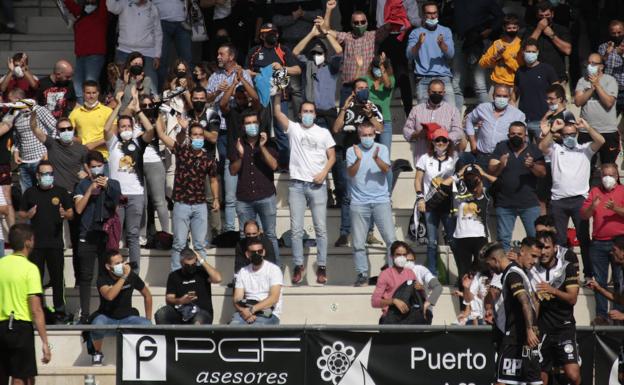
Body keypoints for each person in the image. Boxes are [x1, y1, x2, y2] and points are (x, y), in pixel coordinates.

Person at [273, 94, 335, 285]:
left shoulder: (323, 133)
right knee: (296, 230)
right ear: (299, 114)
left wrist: (324, 173)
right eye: (305, 111)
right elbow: (277, 112)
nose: (308, 114)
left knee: (321, 229)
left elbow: (332, 156)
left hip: (318, 185)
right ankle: (298, 265)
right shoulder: (294, 129)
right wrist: (277, 93)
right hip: (297, 185)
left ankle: (322, 266)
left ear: (315, 115)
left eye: (311, 111)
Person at [539, 117, 604, 282]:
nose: (570, 137)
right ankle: (560, 273)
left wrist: (587, 127)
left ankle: (589, 274)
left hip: (579, 201)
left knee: (584, 239)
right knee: (559, 241)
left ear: (577, 134)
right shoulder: (555, 149)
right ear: (561, 135)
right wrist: (553, 130)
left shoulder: (585, 149)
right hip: (558, 201)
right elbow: (542, 146)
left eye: (573, 134)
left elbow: (601, 140)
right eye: (566, 134)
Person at [155, 118, 220, 271]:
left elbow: (213, 180)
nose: (198, 138)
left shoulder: (208, 159)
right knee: (179, 243)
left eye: (200, 135)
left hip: (200, 205)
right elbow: (163, 137)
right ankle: (176, 276)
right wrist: (158, 114)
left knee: (200, 244)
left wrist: (216, 198)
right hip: (181, 204)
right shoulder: (182, 151)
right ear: (190, 137)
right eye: (195, 135)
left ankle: (200, 276)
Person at [208, 43, 257, 233]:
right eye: (218, 54)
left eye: (222, 54)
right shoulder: (215, 76)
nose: (218, 57)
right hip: (220, 129)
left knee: (237, 171)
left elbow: (252, 99)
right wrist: (217, 90)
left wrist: (239, 82)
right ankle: (223, 202)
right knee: (223, 170)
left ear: (231, 56)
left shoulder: (243, 73)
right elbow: (207, 100)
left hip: (239, 130)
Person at [103, 90, 154, 271]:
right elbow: (106, 129)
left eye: (128, 126)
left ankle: (134, 271)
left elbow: (151, 130)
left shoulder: (138, 143)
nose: (125, 129)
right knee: (114, 235)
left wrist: (138, 110)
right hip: (117, 195)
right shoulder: (113, 143)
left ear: (132, 127)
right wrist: (117, 107)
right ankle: (113, 269)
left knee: (133, 234)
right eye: (122, 126)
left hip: (136, 194)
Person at [17, 161, 74, 323]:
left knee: (57, 279)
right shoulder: (29, 193)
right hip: (35, 245)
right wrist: (28, 215)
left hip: (55, 244)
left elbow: (71, 213)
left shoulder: (61, 192)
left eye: (50, 174)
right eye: (44, 174)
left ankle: (60, 311)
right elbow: (20, 213)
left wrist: (65, 214)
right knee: (36, 280)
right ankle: (38, 311)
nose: (48, 177)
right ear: (37, 176)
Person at [480, 242, 541, 385]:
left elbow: (524, 301)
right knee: (532, 381)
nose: (490, 269)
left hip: (516, 337)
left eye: (489, 265)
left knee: (502, 381)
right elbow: (535, 302)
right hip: (525, 336)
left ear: (495, 260)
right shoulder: (517, 272)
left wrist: (529, 330)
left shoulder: (512, 274)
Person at [332, 78, 383, 247]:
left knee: (368, 196)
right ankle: (344, 233)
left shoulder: (374, 107)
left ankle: (369, 233)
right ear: (353, 91)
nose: (363, 90)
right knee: (347, 197)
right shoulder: (347, 108)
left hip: (369, 158)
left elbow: (380, 128)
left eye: (365, 88)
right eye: (360, 88)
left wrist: (369, 114)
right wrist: (344, 108)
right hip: (349, 157)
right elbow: (336, 128)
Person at [73, 151, 122, 323]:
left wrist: (106, 187)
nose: (96, 169)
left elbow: (117, 201)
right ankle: (84, 314)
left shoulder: (114, 183)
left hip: (105, 236)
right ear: (87, 167)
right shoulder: (82, 185)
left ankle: (106, 311)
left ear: (104, 165)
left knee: (106, 275)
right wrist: (90, 190)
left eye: (99, 166)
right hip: (87, 235)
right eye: (93, 166)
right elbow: (78, 209)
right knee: (85, 277)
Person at [0, 224, 51, 385]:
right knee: (21, 376)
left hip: (0, 325)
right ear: (28, 242)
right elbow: (36, 309)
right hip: (19, 326)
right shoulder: (30, 269)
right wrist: (45, 342)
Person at [246, 22, 302, 167]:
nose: (273, 36)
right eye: (269, 33)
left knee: (281, 131)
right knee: (261, 129)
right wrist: (264, 73)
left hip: (280, 97)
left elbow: (297, 70)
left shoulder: (283, 50)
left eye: (275, 33)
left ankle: (284, 164)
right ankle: (259, 162)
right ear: (262, 35)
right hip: (260, 97)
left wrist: (281, 68)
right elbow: (246, 72)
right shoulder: (254, 51)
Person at [528, 231, 580, 385]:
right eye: (540, 247)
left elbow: (572, 299)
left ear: (555, 248)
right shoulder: (532, 269)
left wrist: (553, 291)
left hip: (564, 327)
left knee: (573, 375)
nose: (543, 252)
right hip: (542, 329)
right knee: (541, 378)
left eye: (547, 247)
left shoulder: (567, 268)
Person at [347, 122, 396, 286]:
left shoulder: (382, 149)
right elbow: (351, 173)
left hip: (381, 200)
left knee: (391, 239)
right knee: (358, 242)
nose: (367, 138)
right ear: (359, 135)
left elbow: (386, 169)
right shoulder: (351, 151)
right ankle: (362, 273)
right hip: (359, 202)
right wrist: (359, 159)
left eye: (370, 135)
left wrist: (375, 158)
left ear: (374, 134)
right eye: (364, 135)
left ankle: (392, 274)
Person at [230, 112, 280, 264]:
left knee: (270, 235)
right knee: (245, 237)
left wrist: (262, 147)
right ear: (243, 127)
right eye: (248, 123)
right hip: (244, 198)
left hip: (266, 196)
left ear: (259, 124)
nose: (252, 126)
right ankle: (244, 272)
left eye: (254, 122)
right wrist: (240, 155)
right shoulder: (238, 144)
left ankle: (274, 271)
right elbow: (233, 170)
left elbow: (274, 165)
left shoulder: (269, 143)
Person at [489, 121, 546, 250]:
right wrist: (501, 165)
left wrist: (532, 165)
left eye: (519, 134)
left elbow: (542, 173)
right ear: (508, 135)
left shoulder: (533, 149)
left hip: (529, 203)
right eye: (513, 134)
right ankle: (507, 269)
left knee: (534, 238)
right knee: (504, 239)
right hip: (505, 204)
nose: (516, 136)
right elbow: (491, 170)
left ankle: (534, 268)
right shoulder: (501, 148)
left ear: (525, 135)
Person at [91, 250, 152, 366]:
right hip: (107, 318)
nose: (121, 265)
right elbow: (110, 296)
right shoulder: (102, 279)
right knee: (97, 324)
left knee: (148, 326)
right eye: (117, 263)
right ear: (108, 267)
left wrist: (148, 318)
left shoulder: (132, 276)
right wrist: (123, 277)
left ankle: (141, 356)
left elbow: (147, 295)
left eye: (122, 262)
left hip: (127, 317)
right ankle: (97, 352)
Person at [581, 163, 624, 325]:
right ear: (600, 177)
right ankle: (602, 316)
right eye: (605, 174)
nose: (608, 178)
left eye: (612, 175)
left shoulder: (622, 190)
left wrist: (616, 208)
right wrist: (593, 206)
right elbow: (584, 216)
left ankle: (618, 314)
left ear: (617, 176)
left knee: (620, 280)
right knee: (599, 281)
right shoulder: (595, 191)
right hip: (598, 243)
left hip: (620, 243)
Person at [323, 6, 388, 105]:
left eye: (362, 22)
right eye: (356, 23)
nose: (360, 25)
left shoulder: (373, 36)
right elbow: (325, 30)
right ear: (351, 24)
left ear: (367, 22)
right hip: (349, 88)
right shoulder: (346, 37)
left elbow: (389, 26)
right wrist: (328, 10)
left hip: (368, 87)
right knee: (346, 117)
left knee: (369, 118)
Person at [414, 128, 457, 276]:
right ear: (432, 142)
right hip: (430, 204)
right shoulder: (425, 158)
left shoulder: (454, 160)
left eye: (444, 140)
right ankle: (432, 274)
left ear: (448, 142)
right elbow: (418, 179)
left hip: (448, 205)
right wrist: (420, 197)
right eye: (437, 140)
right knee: (432, 242)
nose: (440, 143)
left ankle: (461, 273)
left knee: (452, 240)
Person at [451, 164, 497, 289]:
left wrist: (484, 174)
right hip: (461, 237)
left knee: (483, 270)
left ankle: (483, 303)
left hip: (480, 237)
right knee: (463, 273)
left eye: (475, 178)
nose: (472, 182)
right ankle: (464, 306)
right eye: (469, 179)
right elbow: (444, 184)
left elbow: (501, 184)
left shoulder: (486, 193)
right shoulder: (458, 193)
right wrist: (459, 175)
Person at [451, 0, 504, 108]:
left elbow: (500, 17)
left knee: (479, 85)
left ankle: (486, 118)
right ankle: (454, 121)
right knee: (456, 85)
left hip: (478, 42)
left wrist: (490, 30)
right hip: (459, 41)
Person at [402, 79, 464, 165]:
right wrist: (417, 134)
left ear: (444, 92)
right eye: (434, 92)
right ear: (428, 92)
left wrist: (441, 137)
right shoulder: (417, 109)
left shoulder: (452, 110)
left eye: (440, 92)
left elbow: (458, 131)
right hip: (422, 157)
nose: (437, 95)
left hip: (445, 160)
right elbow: (406, 130)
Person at [465, 84, 526, 169]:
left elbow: (523, 136)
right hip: (482, 156)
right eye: (498, 95)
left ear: (509, 97)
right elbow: (469, 119)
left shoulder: (517, 115)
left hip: (504, 158)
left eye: (505, 96)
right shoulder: (483, 108)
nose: (501, 98)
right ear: (493, 96)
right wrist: (472, 141)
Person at [406, 1, 455, 106]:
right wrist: (419, 43)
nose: (432, 16)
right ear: (423, 15)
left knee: (451, 114)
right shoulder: (415, 33)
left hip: (443, 78)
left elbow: (451, 55)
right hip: (423, 79)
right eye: (429, 13)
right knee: (423, 118)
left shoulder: (446, 31)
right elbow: (409, 55)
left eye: (435, 13)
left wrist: (442, 45)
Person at [155, 248, 222, 325]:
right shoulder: (174, 276)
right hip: (181, 312)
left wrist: (201, 260)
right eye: (187, 265)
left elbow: (218, 279)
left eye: (193, 264)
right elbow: (169, 299)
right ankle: (166, 337)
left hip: (201, 312)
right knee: (162, 313)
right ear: (181, 263)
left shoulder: (202, 272)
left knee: (198, 320)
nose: (190, 267)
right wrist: (180, 301)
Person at [574, 52, 619, 166]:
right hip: (586, 131)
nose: (590, 66)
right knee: (585, 166)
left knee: (609, 167)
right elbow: (578, 102)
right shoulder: (582, 81)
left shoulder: (610, 80)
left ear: (601, 66)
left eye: (594, 63)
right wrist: (591, 89)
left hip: (607, 131)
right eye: (589, 63)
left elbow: (609, 103)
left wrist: (597, 85)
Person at [107, 0, 162, 91]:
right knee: (120, 84)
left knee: (152, 85)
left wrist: (157, 55)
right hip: (124, 50)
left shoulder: (153, 8)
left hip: (147, 52)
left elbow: (158, 32)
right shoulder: (123, 3)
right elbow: (111, 7)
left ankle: (151, 104)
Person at [63, 0, 108, 105]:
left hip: (95, 56)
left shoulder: (101, 13)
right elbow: (69, 4)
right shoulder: (80, 13)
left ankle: (92, 110)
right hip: (80, 56)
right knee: (78, 86)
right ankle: (81, 110)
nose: (90, 1)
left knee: (90, 84)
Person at [230, 238, 283, 325]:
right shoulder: (243, 272)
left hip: (269, 314)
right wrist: (245, 312)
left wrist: (252, 310)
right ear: (247, 254)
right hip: (245, 312)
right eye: (253, 252)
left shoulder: (274, 270)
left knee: (255, 329)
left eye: (260, 251)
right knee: (233, 327)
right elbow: (237, 299)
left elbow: (273, 298)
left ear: (264, 252)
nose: (257, 254)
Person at [10, 95, 57, 193]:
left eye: (14, 102)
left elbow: (55, 128)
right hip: (24, 162)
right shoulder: (15, 115)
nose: (12, 105)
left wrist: (50, 150)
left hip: (41, 159)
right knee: (26, 196)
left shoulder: (39, 110)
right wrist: (16, 151)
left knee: (43, 193)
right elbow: (17, 137)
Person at [514, 38, 558, 140]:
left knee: (543, 152)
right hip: (523, 121)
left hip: (543, 120)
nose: (531, 54)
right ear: (523, 52)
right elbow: (514, 95)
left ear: (538, 52)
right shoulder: (519, 71)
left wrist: (552, 113)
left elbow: (558, 92)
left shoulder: (547, 69)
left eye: (533, 52)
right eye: (528, 51)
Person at [364, 53, 395, 190]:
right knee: (367, 157)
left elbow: (387, 84)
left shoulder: (391, 79)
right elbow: (357, 83)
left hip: (385, 122)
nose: (377, 69)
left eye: (381, 67)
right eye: (376, 66)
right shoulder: (367, 80)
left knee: (384, 158)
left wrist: (383, 67)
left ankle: (387, 194)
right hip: (368, 121)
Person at [371, 241, 419, 322]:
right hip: (390, 318)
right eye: (398, 254)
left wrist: (420, 289)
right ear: (392, 256)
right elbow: (374, 302)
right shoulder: (385, 274)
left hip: (408, 318)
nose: (401, 257)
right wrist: (393, 301)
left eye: (404, 255)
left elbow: (417, 298)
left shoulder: (410, 273)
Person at [525, 1, 572, 83]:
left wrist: (552, 35)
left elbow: (567, 50)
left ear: (552, 14)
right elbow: (525, 47)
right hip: (535, 75)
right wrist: (539, 29)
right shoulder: (530, 30)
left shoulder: (561, 29)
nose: (544, 18)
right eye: (541, 16)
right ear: (537, 15)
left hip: (557, 77)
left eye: (547, 15)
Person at [69, 81, 114, 161]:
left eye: (94, 93)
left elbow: (114, 133)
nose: (91, 96)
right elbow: (68, 133)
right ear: (83, 94)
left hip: (103, 156)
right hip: (83, 156)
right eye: (88, 93)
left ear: (98, 93)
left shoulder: (108, 111)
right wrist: (75, 140)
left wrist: (95, 144)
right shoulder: (75, 113)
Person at [152, 0, 192, 90]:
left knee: (187, 60)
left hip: (182, 21)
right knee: (160, 61)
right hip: (161, 20)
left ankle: (189, 93)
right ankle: (161, 94)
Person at [478, 14, 522, 90]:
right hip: (497, 83)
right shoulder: (497, 43)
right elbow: (482, 63)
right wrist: (494, 57)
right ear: (504, 28)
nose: (512, 30)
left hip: (514, 85)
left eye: (514, 28)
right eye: (509, 28)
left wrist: (505, 55)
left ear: (518, 28)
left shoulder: (521, 45)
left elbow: (519, 69)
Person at [587, 235, 624, 323]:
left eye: (614, 250)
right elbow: (620, 300)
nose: (611, 253)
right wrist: (599, 288)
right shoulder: (622, 272)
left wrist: (623, 316)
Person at [598, 20, 624, 115]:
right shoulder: (603, 46)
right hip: (610, 90)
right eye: (614, 33)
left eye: (619, 32)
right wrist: (606, 54)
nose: (617, 35)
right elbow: (598, 65)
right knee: (610, 118)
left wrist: (622, 54)